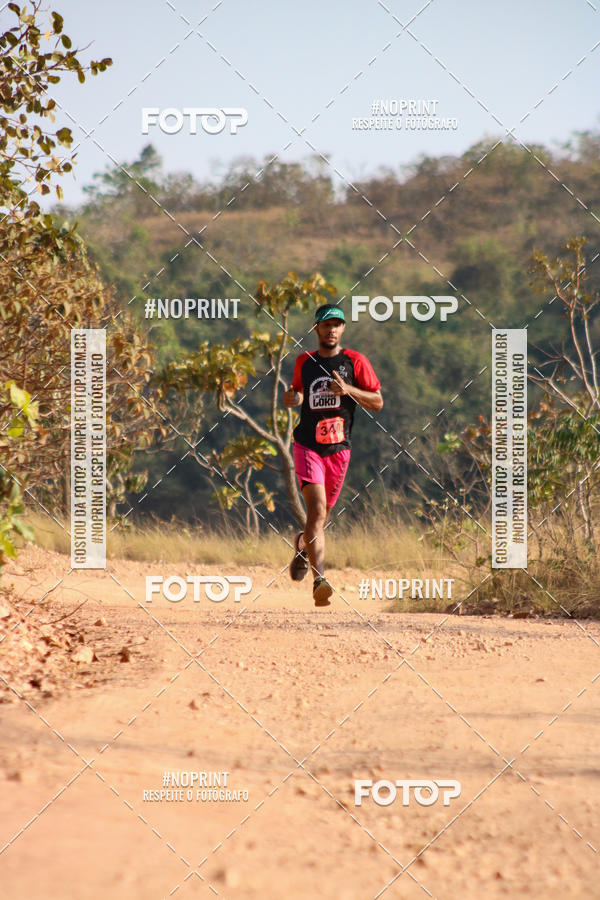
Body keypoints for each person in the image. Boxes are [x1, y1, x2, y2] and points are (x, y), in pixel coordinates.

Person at [283, 303, 383, 606]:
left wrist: (349, 391)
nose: (331, 330)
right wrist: (293, 397)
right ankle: (320, 581)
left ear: (343, 329)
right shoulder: (305, 361)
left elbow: (377, 401)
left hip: (339, 450)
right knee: (315, 511)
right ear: (316, 329)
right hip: (307, 445)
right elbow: (297, 392)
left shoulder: (355, 361)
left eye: (337, 325)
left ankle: (303, 544)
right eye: (326, 325)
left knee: (322, 519)